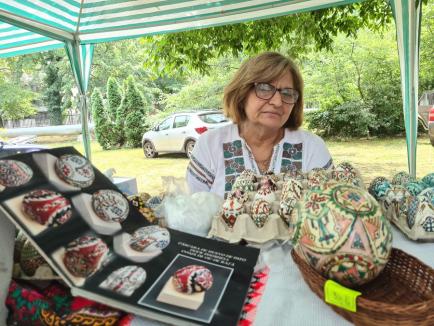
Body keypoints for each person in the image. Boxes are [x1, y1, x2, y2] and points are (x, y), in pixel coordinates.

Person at [186, 52, 332, 198]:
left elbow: (330, 209)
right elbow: (193, 213)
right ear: (242, 93)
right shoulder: (210, 146)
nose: (277, 102)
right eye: (264, 88)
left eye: (287, 93)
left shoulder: (312, 147)